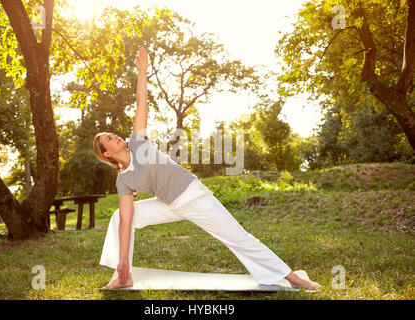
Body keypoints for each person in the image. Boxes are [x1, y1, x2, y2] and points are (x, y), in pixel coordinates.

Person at [93, 47, 322, 291]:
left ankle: (292, 277)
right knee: (119, 217)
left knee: (238, 238)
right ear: (107, 154)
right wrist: (122, 261)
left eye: (112, 134)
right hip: (169, 204)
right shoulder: (123, 181)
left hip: (193, 196)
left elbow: (142, 106)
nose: (114, 136)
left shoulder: (137, 144)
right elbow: (127, 222)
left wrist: (142, 72)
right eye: (109, 139)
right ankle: (123, 275)